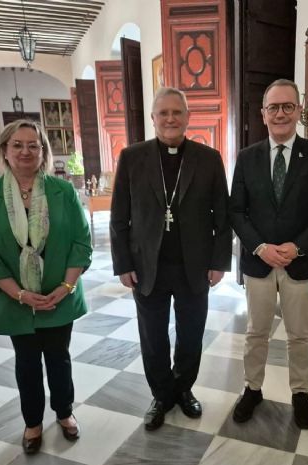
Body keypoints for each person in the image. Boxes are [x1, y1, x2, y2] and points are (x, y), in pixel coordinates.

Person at [110, 87, 232, 431]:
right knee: (153, 336)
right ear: (153, 118)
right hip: (148, 265)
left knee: (191, 334)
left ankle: (183, 389)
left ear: (188, 118)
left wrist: (219, 262)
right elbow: (120, 216)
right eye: (163, 113)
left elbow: (222, 216)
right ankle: (161, 394)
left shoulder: (208, 159)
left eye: (177, 112)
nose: (170, 119)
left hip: (194, 266)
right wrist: (124, 264)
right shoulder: (132, 157)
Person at [0, 119, 92, 455]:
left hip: (58, 297)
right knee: (26, 362)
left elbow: (82, 244)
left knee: (59, 358)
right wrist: (19, 293)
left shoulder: (63, 191)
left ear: (43, 152)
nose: (26, 151)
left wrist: (66, 286)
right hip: (14, 300)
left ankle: (65, 413)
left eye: (33, 145)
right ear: (5, 152)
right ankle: (33, 423)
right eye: (18, 145)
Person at [230, 78, 308, 429]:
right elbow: (236, 211)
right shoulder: (247, 158)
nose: (280, 113)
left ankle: (299, 394)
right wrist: (261, 247)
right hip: (258, 262)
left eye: (287, 106)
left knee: (299, 335)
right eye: (273, 107)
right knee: (256, 333)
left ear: (299, 112)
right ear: (263, 114)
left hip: (301, 261)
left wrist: (297, 246)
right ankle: (252, 389)